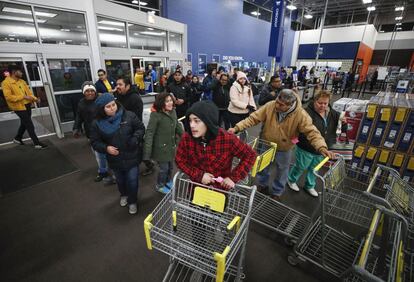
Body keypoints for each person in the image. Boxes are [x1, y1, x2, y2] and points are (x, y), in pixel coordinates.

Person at [228, 89, 335, 200]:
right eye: (277, 101)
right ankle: (262, 185)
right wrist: (237, 127)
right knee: (262, 167)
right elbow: (253, 118)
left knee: (282, 171)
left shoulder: (301, 115)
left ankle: (277, 192)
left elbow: (312, 132)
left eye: (281, 105)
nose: (277, 106)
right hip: (266, 143)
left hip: (285, 147)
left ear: (290, 105)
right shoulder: (271, 105)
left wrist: (322, 147)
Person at [175, 101, 256, 189]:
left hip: (220, 189)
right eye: (190, 121)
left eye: (196, 121)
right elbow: (180, 160)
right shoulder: (187, 138)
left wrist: (233, 178)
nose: (192, 125)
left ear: (208, 121)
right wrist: (199, 175)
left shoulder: (227, 139)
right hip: (196, 187)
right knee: (193, 202)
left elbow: (250, 155)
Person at [90, 93, 145, 215]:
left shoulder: (128, 115)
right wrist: (106, 148)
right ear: (102, 109)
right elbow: (94, 142)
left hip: (132, 155)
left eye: (113, 104)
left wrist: (135, 139)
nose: (112, 108)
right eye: (108, 107)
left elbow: (140, 128)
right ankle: (124, 194)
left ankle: (132, 201)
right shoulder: (97, 124)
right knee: (120, 181)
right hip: (115, 158)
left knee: (132, 180)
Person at [287, 90, 341, 197]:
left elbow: (340, 123)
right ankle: (291, 180)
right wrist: (293, 143)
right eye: (320, 103)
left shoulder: (332, 113)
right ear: (314, 100)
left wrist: (343, 122)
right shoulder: (306, 112)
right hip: (305, 147)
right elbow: (294, 129)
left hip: (323, 148)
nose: (323, 106)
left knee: (314, 169)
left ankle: (310, 186)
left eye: (325, 103)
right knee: (301, 166)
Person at [73, 82, 114, 183]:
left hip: (105, 131)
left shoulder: (101, 100)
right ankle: (102, 172)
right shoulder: (81, 103)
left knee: (110, 152)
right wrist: (76, 128)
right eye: (87, 91)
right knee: (98, 154)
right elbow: (79, 116)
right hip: (91, 133)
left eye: (92, 90)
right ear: (83, 92)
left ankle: (115, 172)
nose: (90, 93)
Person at [143, 93, 183, 193]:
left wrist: (186, 138)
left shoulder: (173, 111)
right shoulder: (156, 115)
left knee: (170, 167)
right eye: (166, 101)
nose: (170, 103)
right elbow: (149, 133)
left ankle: (168, 181)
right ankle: (160, 185)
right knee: (163, 169)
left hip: (171, 146)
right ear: (161, 103)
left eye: (170, 100)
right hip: (160, 149)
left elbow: (177, 126)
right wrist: (147, 152)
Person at [115, 76, 154, 176]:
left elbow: (135, 116)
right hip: (123, 127)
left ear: (127, 86)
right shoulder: (120, 95)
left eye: (120, 85)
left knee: (138, 150)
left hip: (134, 128)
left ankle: (149, 165)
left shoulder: (134, 98)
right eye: (117, 84)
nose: (117, 86)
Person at [1, 65, 47, 149]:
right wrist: (23, 97)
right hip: (18, 107)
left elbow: (29, 93)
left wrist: (35, 99)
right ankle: (36, 143)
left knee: (24, 123)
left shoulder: (22, 81)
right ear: (14, 72)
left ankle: (17, 138)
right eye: (20, 71)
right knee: (29, 124)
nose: (22, 73)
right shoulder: (6, 83)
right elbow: (9, 97)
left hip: (27, 105)